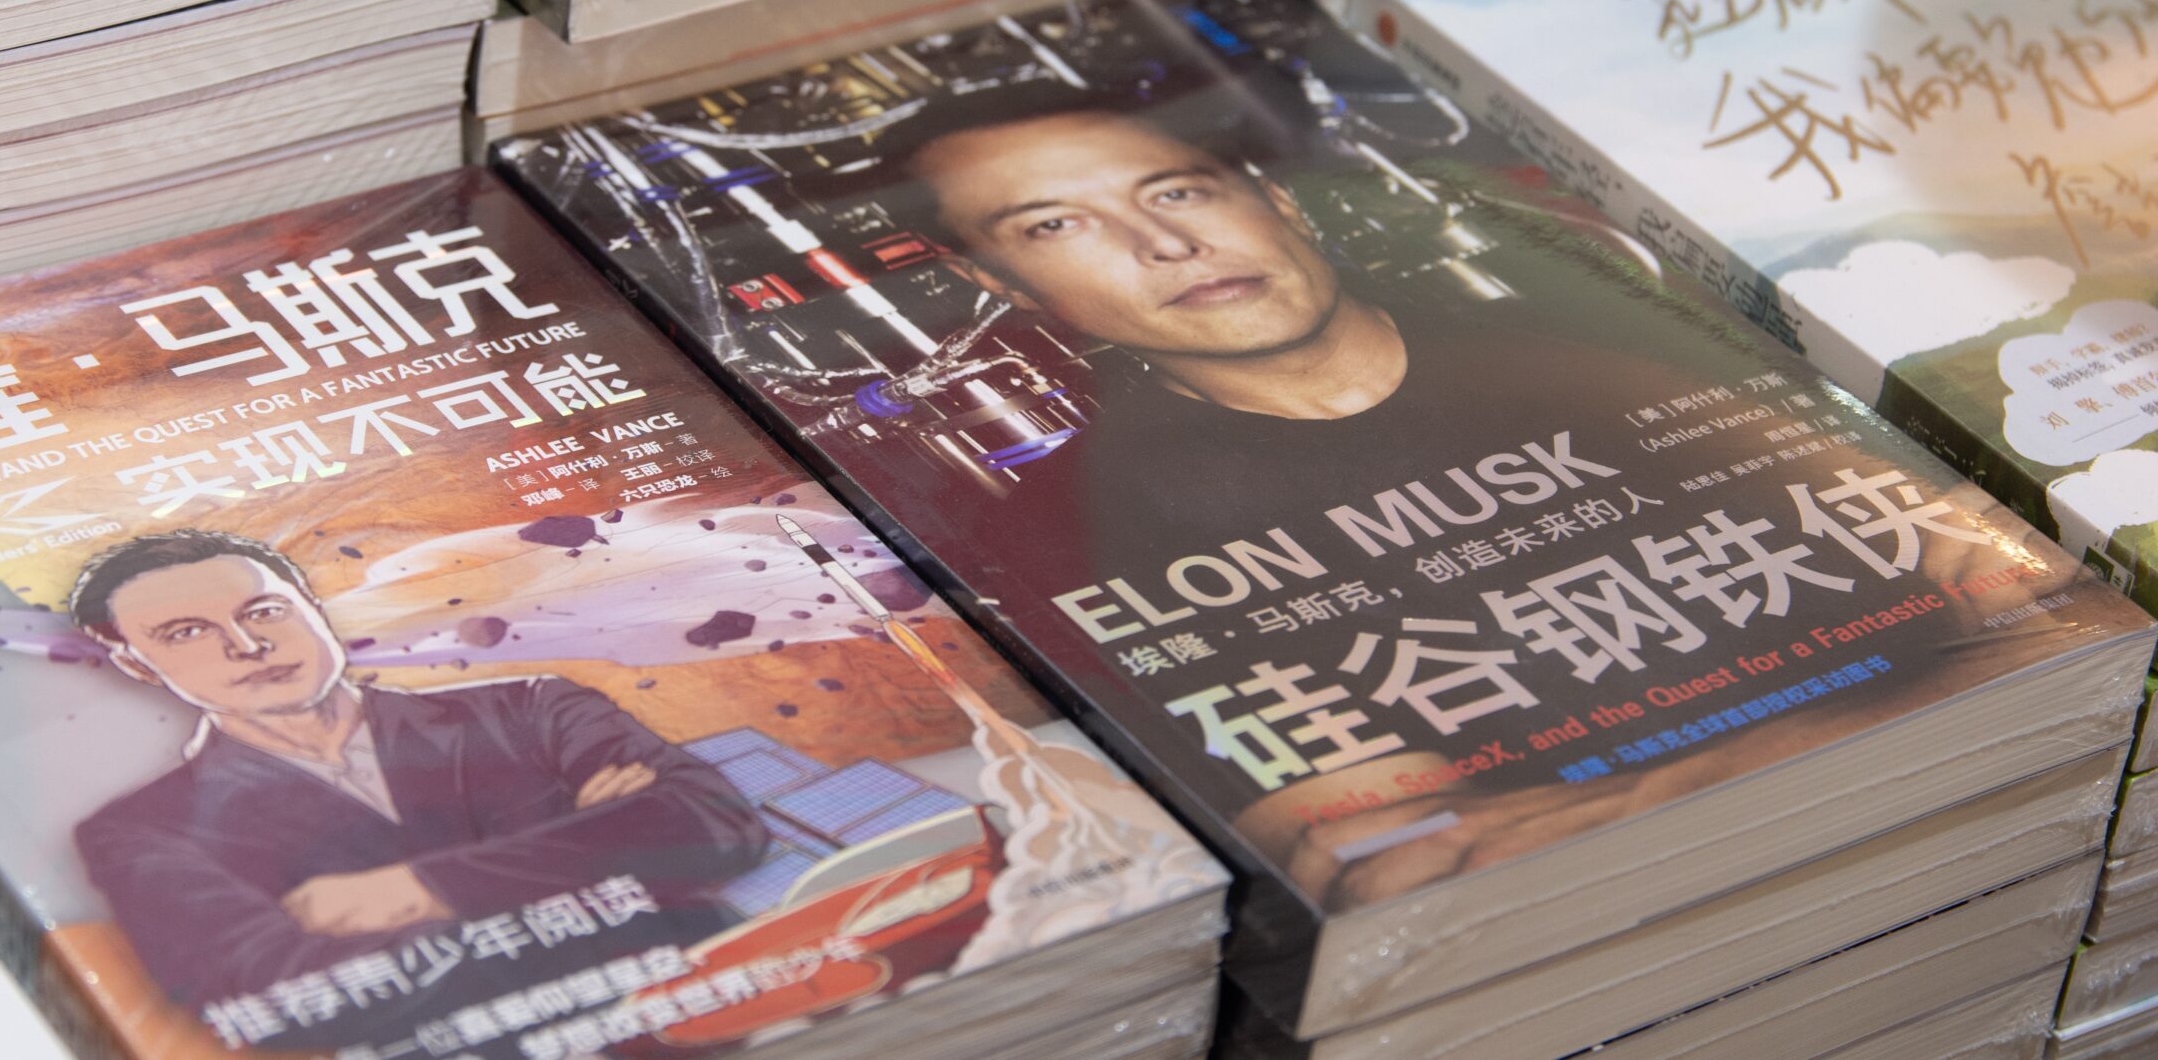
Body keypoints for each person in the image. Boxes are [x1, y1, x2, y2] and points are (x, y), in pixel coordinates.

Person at [878, 91, 2086, 910]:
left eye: (1180, 191)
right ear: (998, 279)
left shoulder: (1591, 335)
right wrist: (1924, 704)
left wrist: (1641, 794)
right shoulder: (1081, 519)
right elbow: (1393, 865)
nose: (1161, 245)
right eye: (1054, 223)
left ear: (1270, 200)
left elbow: (2073, 625)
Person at [68, 529, 768, 1052]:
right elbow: (274, 995)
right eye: (188, 632)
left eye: (265, 611)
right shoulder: (143, 830)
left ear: (312, 606)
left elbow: (712, 826)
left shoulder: (526, 707)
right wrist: (599, 849)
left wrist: (412, 889)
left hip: (728, 1015)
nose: (248, 646)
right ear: (136, 662)